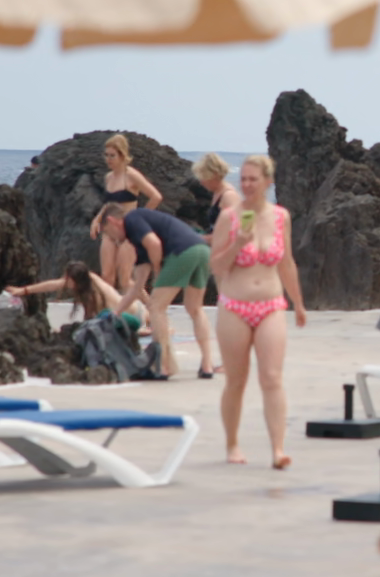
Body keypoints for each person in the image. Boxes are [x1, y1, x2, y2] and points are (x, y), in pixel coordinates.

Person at [209, 154, 307, 468]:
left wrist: (298, 303)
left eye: (254, 179)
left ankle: (278, 449)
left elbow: (286, 262)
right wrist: (238, 244)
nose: (248, 184)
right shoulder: (229, 217)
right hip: (235, 306)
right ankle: (232, 444)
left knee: (272, 377)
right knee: (236, 380)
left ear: (268, 181)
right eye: (244, 179)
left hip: (271, 305)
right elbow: (217, 267)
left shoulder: (281, 217)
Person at [108, 205, 216, 379]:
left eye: (108, 232)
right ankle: (207, 365)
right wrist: (116, 312)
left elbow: (154, 243)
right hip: (202, 250)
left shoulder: (132, 219)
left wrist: (158, 269)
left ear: (112, 221)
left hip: (181, 252)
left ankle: (163, 365)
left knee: (156, 307)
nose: (112, 239)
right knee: (195, 308)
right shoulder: (138, 243)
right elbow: (136, 287)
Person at [91, 134, 163, 295]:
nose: (108, 159)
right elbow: (109, 203)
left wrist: (140, 217)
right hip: (110, 230)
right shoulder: (108, 177)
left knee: (125, 279)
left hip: (128, 231)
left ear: (122, 155)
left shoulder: (131, 175)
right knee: (107, 275)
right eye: (106, 155)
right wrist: (97, 220)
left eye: (112, 156)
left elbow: (156, 196)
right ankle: (109, 307)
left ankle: (150, 306)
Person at [5, 259, 144, 328]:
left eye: (68, 279)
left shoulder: (94, 295)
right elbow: (53, 284)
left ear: (76, 281)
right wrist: (24, 290)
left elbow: (97, 321)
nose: (65, 282)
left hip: (132, 316)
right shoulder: (89, 278)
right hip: (136, 309)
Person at [190, 151, 242, 243]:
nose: (201, 182)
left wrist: (200, 238)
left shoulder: (229, 197)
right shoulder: (217, 193)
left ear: (214, 176)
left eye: (204, 177)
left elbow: (232, 234)